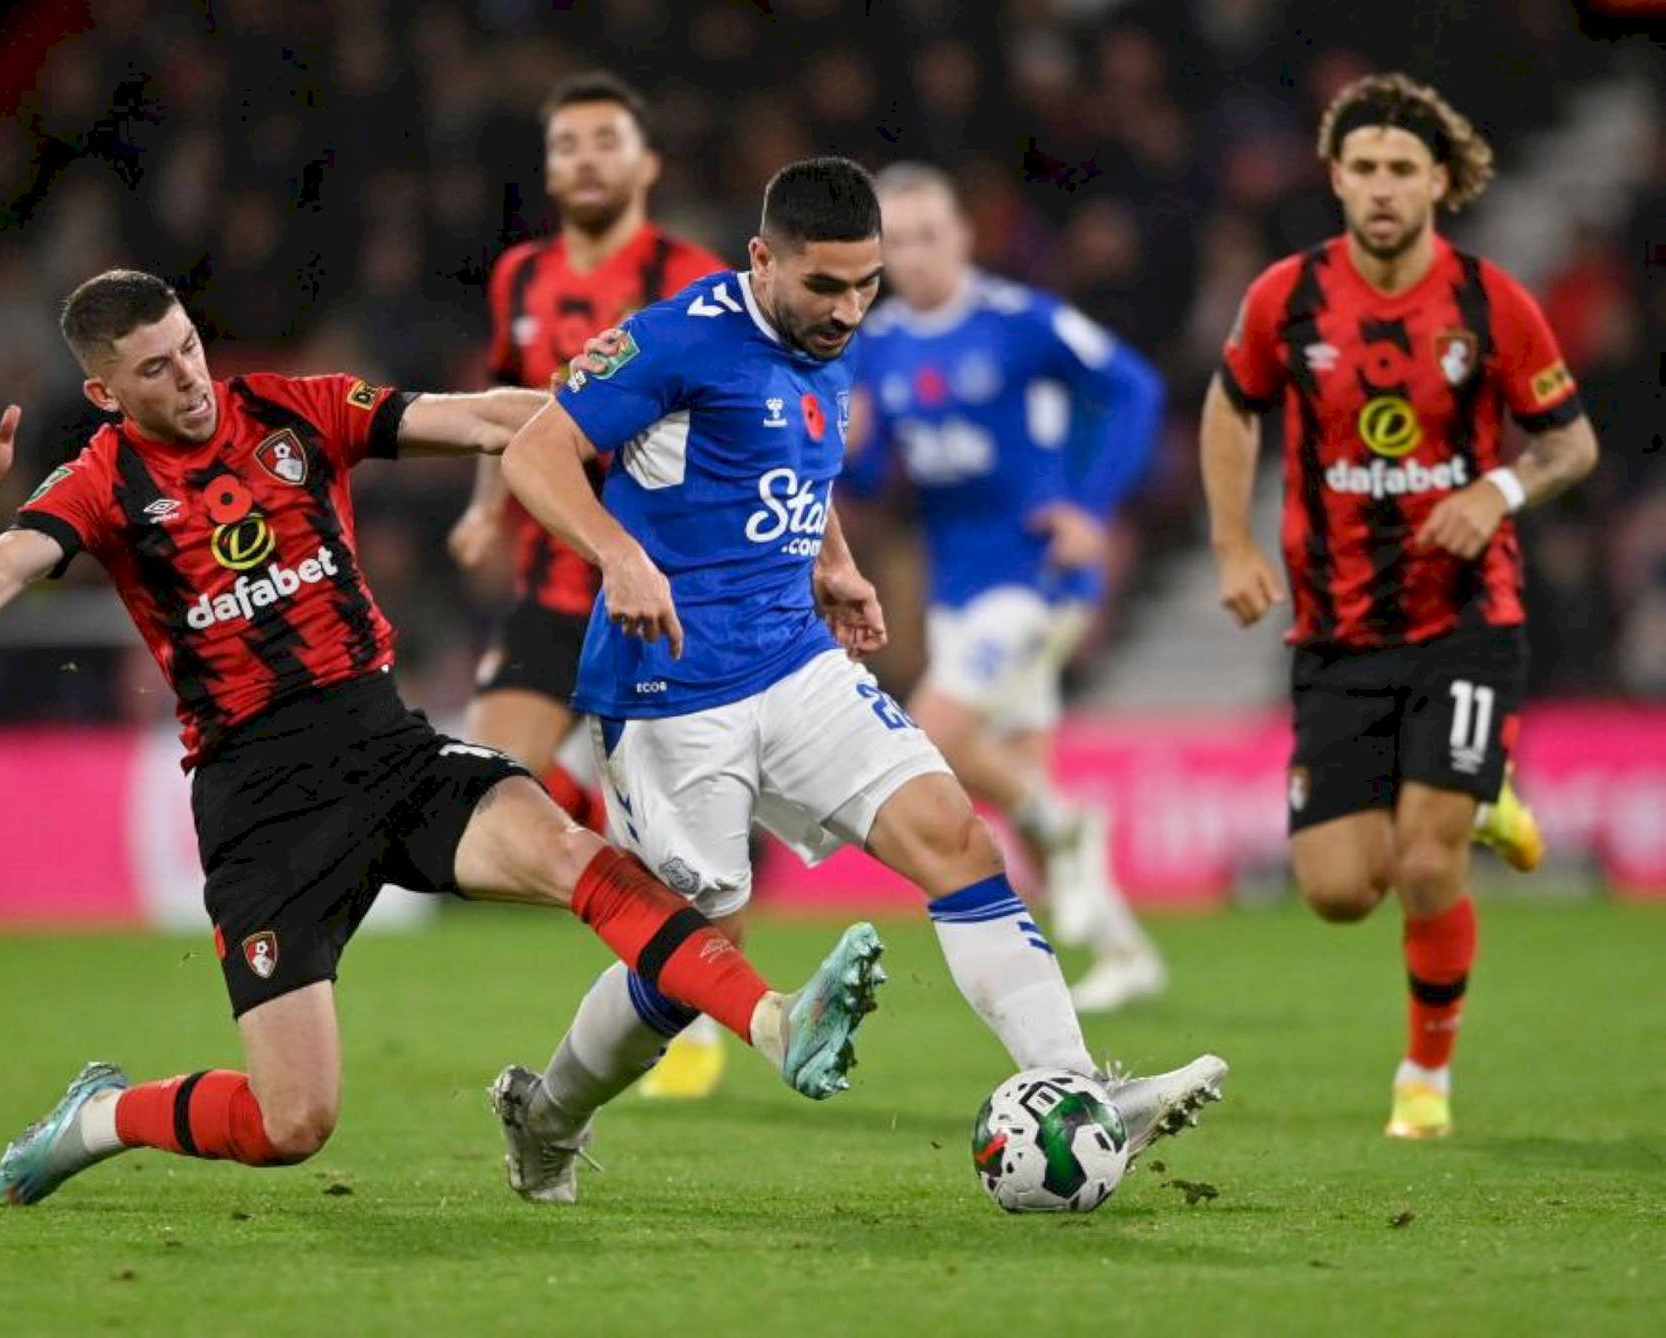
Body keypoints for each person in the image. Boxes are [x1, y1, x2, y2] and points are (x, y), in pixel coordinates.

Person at [0, 268, 888, 1206]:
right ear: (105, 392)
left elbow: (479, 419)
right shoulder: (100, 482)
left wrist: (611, 408)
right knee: (291, 1125)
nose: (188, 377)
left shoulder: (287, 408)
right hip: (260, 806)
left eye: (189, 347)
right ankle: (104, 1116)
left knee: (570, 851)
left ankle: (773, 1020)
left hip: (386, 746)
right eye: (155, 370)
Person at [492, 157, 1225, 1204]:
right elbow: (535, 452)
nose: (848, 310)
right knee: (696, 953)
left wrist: (831, 561)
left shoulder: (829, 346)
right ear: (762, 259)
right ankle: (547, 1114)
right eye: (825, 286)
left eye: (866, 284)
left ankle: (1074, 1089)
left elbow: (794, 457)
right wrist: (617, 554)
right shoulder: (676, 337)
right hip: (670, 693)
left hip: (795, 661)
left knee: (955, 837)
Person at [1201, 74, 1598, 1139]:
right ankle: (1492, 798)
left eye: (1401, 171)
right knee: (1337, 890)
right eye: (1364, 169)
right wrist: (1233, 539)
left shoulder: (1489, 302)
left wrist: (1499, 489)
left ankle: (1425, 1077)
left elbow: (1572, 442)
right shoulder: (1286, 297)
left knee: (1428, 861)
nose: (1381, 188)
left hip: (1465, 617)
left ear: (1439, 183)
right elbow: (1231, 407)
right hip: (1335, 633)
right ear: (1336, 178)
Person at [448, 72, 731, 1099]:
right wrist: (488, 504)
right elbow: (504, 407)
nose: (585, 159)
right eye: (567, 144)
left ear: (646, 162)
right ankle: (629, 876)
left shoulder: (689, 274)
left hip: (659, 588)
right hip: (550, 587)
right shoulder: (520, 277)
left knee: (691, 832)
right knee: (483, 792)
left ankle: (694, 999)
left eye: (606, 140)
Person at [846, 161, 1168, 1013]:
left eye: (927, 236)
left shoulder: (1016, 321)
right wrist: (858, 446)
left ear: (961, 237)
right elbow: (878, 482)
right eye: (896, 242)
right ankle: (1125, 951)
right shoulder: (875, 346)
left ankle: (1072, 820)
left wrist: (1089, 506)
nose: (912, 256)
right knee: (1025, 793)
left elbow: (1134, 389)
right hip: (957, 585)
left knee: (935, 735)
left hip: (1037, 575)